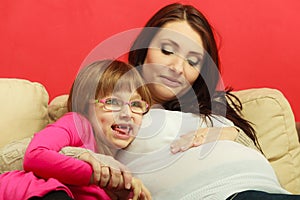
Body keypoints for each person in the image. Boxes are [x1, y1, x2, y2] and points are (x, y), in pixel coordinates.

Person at [114, 3, 300, 199]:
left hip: (267, 191)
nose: (177, 67)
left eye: (192, 62)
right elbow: (82, 151)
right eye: (167, 50)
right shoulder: (113, 111)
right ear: (143, 52)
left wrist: (231, 134)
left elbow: (255, 153)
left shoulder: (211, 112)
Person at [0, 60, 152, 200]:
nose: (127, 114)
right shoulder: (79, 124)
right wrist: (96, 175)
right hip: (27, 189)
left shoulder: (121, 163)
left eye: (136, 105)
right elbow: (34, 155)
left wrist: (122, 191)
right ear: (85, 107)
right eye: (113, 102)